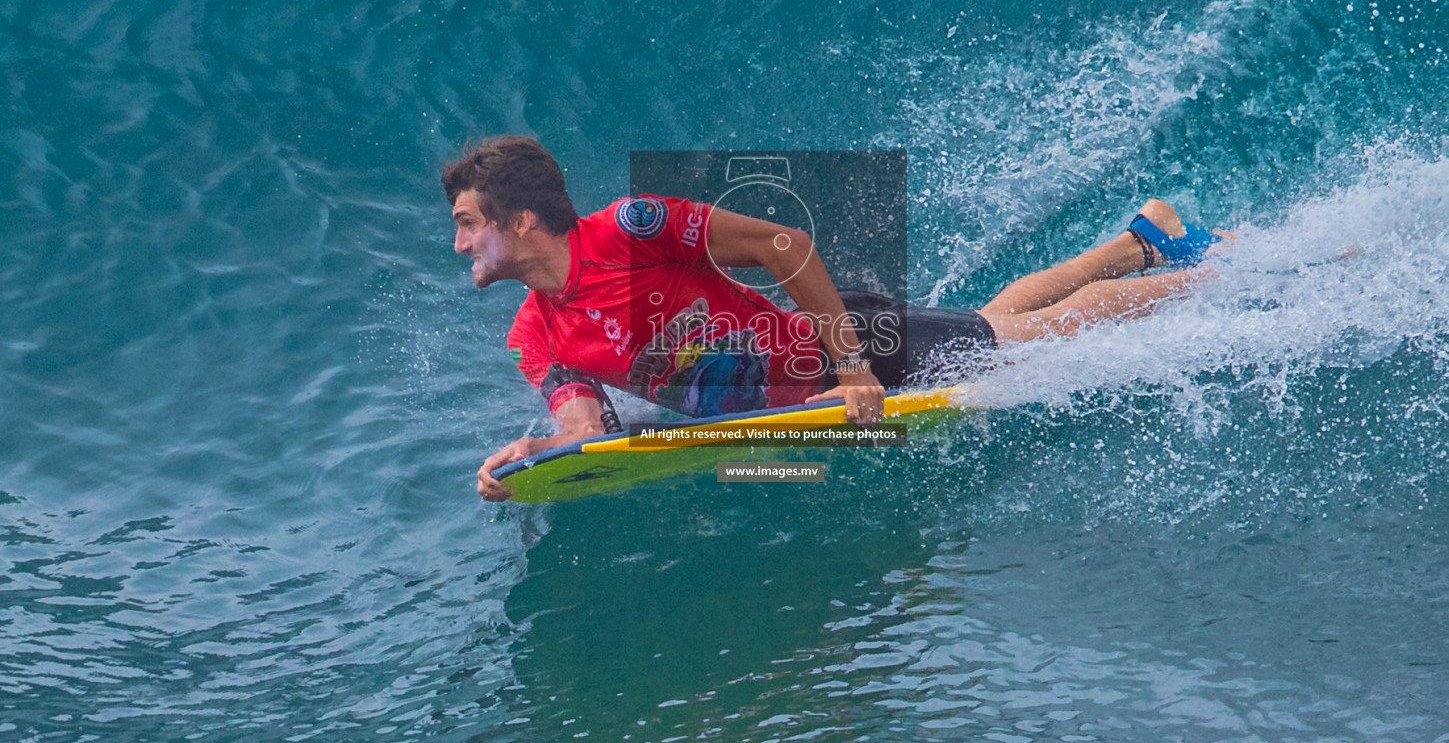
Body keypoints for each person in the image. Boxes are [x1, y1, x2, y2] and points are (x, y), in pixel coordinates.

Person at [446, 136, 1224, 501]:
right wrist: (537, 455)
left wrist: (852, 369)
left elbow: (786, 243)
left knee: (1034, 336)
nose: (458, 243)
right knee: (993, 322)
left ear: (519, 219)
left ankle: (1208, 275)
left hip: (845, 351)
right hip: (798, 398)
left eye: (468, 221)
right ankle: (1135, 240)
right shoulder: (534, 334)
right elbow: (587, 429)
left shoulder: (629, 229)